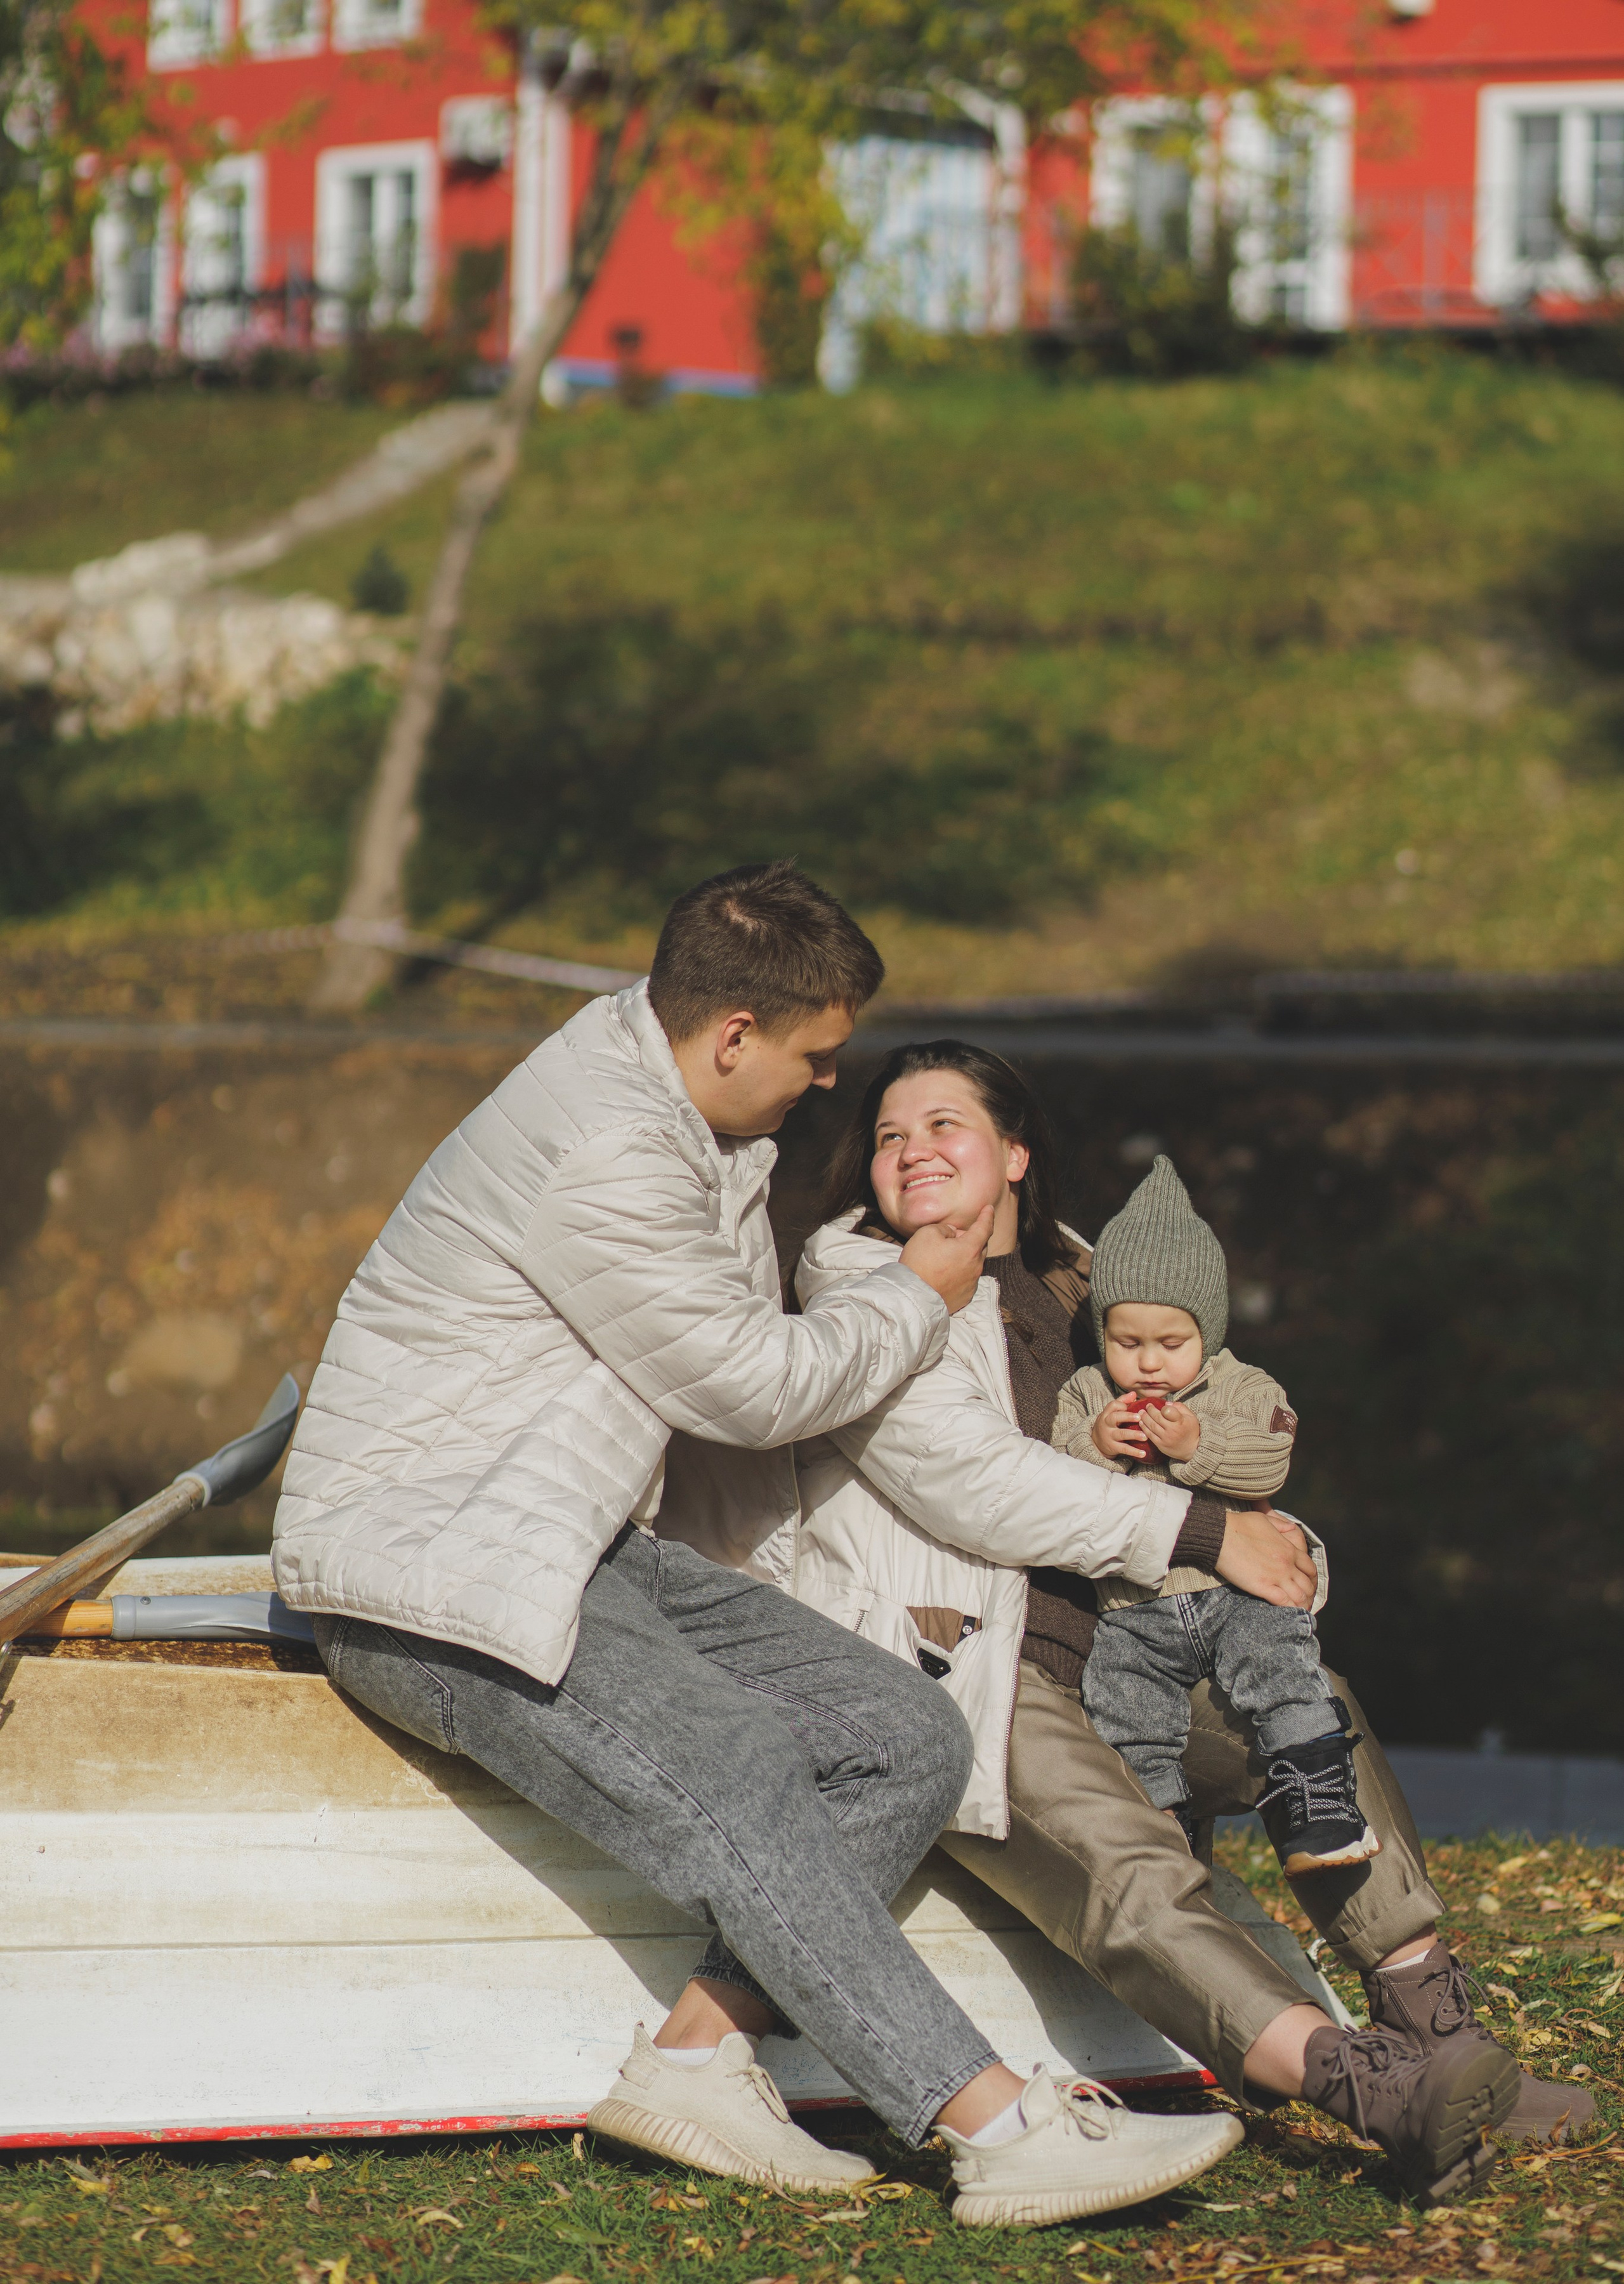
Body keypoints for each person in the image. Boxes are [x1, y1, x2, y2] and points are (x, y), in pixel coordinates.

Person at [273, 864, 1242, 2228]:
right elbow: (749, 1387)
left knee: (897, 1731)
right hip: (442, 1580)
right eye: (818, 1056)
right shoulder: (608, 1148)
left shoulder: (687, 1112)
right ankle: (990, 2125)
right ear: (733, 1036)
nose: (831, 1088)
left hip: (569, 1542)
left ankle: (697, 2056)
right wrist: (917, 1289)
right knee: (741, 1763)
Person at [790, 1039, 1591, 2203]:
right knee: (1128, 1871)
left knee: (1320, 1720)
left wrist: (1280, 1550)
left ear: (1016, 1153)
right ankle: (1368, 2090)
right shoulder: (867, 1290)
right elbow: (967, 1481)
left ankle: (1438, 2035)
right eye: (888, 1134)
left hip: (1136, 1639)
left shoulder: (1090, 1286)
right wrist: (1210, 1540)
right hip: (965, 1660)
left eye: (943, 1125)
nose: (911, 1150)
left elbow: (1225, 1440)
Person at [1059, 1153, 1378, 1876]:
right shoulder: (1085, 1394)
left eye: (1170, 1344)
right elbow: (1050, 1480)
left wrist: (1197, 1446)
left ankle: (1319, 1800)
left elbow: (1269, 1460)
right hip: (1133, 1609)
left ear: (1207, 1329)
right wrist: (1095, 1445)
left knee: (1284, 1674)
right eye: (1125, 1342)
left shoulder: (1242, 1385)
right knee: (1123, 1707)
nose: (1146, 1364)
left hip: (1235, 1594)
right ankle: (1161, 1829)